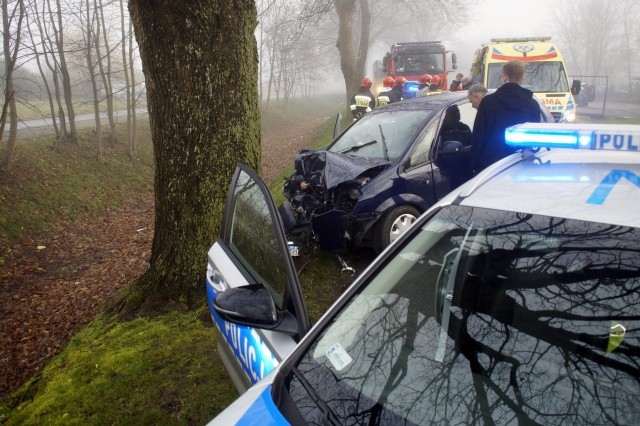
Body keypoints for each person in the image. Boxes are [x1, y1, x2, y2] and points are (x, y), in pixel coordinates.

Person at [470, 60, 541, 174]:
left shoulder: (488, 102)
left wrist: (474, 165)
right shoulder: (533, 105)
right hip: (522, 165)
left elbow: (478, 136)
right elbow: (535, 139)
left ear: (503, 78)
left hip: (490, 167)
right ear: (522, 79)